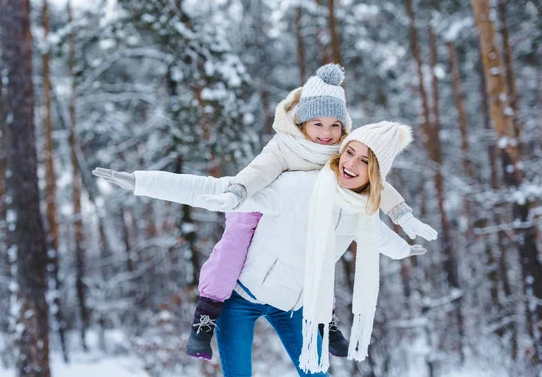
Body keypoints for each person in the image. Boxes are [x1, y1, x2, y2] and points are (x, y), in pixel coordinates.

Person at [93, 121, 430, 376]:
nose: (351, 164)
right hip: (243, 300)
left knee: (317, 374)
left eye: (365, 161)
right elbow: (216, 187)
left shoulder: (363, 214)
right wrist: (140, 182)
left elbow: (382, 239)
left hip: (298, 308)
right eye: (350, 151)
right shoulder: (298, 186)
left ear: (377, 174)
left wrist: (406, 250)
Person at [183, 64, 435, 360]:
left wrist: (402, 215)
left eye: (334, 125)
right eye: (318, 124)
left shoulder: (344, 151)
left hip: (309, 212)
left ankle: (324, 320)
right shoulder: (284, 145)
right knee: (233, 246)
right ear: (303, 123)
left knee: (318, 251)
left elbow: (377, 183)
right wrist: (238, 191)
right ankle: (207, 314)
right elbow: (259, 171)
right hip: (262, 201)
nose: (326, 133)